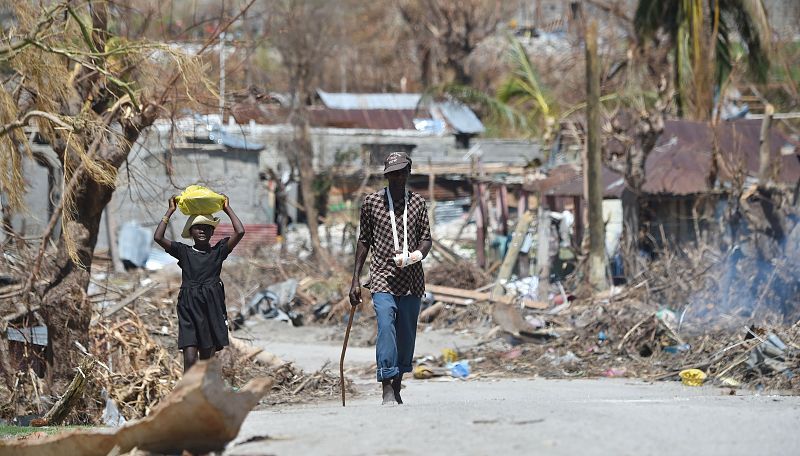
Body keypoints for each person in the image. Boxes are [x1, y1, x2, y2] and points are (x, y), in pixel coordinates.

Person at [349, 152, 432, 405]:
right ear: (386, 176)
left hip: (412, 279)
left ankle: (397, 384)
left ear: (408, 173)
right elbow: (364, 240)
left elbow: (427, 239)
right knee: (386, 325)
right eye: (392, 174)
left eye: (401, 172)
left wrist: (414, 256)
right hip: (382, 277)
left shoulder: (417, 203)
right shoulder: (372, 203)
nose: (397, 178)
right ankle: (386, 383)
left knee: (406, 333)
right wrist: (354, 279)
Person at [153, 195, 245, 372]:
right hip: (189, 306)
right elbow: (158, 237)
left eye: (206, 228)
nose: (202, 231)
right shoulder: (184, 252)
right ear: (191, 232)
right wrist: (170, 211)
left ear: (212, 232)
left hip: (211, 306)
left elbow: (240, 232)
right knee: (189, 355)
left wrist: (227, 208)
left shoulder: (218, 251)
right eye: (198, 228)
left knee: (206, 357)